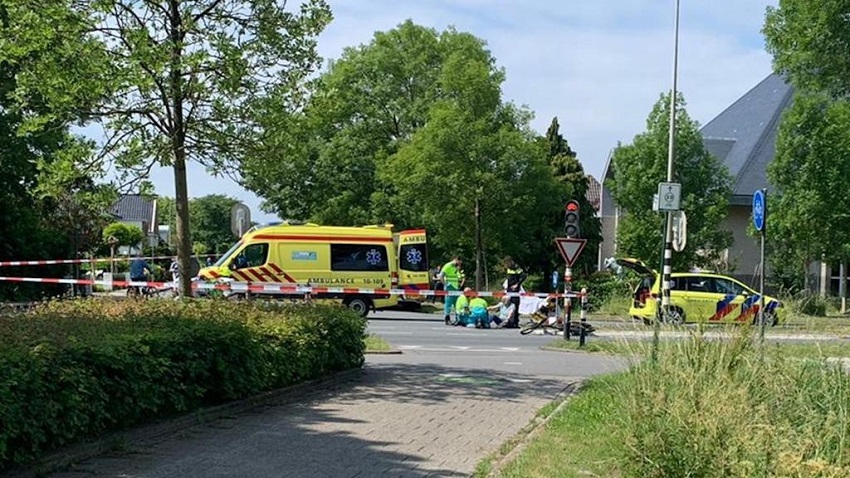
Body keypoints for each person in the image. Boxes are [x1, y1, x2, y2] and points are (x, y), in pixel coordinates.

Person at [439, 256, 463, 324]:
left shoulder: (456, 267)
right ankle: (447, 318)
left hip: (456, 287)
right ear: (456, 259)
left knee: (457, 304)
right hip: (450, 287)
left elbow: (458, 276)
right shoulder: (448, 265)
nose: (459, 264)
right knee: (448, 303)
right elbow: (441, 276)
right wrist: (445, 284)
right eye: (459, 262)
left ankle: (458, 318)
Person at [504, 257, 527, 328]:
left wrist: (517, 284)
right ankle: (509, 321)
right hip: (509, 289)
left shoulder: (517, 268)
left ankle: (515, 322)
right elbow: (509, 279)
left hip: (515, 290)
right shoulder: (508, 269)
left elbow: (524, 276)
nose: (507, 264)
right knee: (508, 304)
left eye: (508, 262)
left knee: (515, 305)